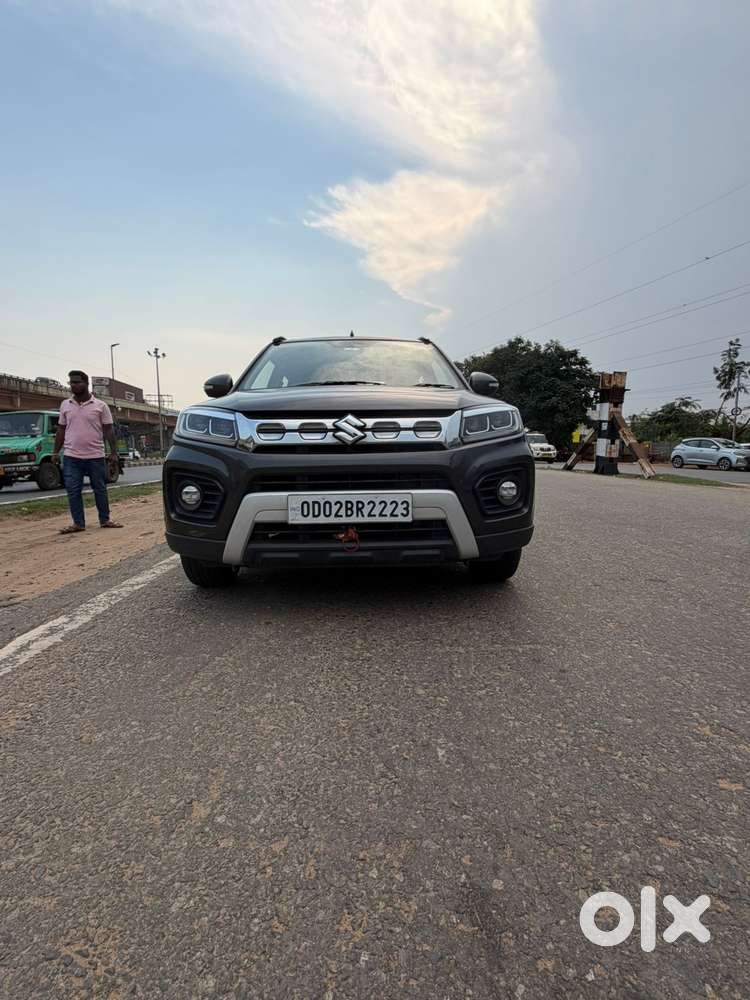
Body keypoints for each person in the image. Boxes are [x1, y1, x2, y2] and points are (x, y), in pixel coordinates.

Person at [52, 370, 123, 534]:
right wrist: (55, 452)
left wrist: (114, 452)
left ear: (86, 383)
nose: (73, 385)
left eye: (77, 382)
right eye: (71, 382)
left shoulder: (100, 406)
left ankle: (105, 520)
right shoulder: (65, 405)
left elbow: (108, 430)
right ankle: (78, 523)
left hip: (95, 456)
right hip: (71, 456)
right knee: (73, 490)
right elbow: (61, 430)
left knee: (100, 488)